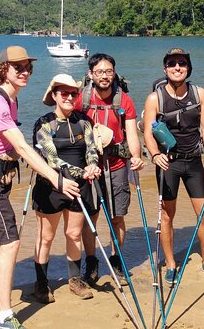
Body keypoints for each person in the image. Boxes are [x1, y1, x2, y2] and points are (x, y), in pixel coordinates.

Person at [0, 46, 80, 329]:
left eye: (28, 66)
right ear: (4, 69)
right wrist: (56, 178)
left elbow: (10, 147)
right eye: (19, 67)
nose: (26, 71)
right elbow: (21, 147)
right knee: (10, 241)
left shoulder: (10, 99)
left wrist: (19, 157)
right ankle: (5, 316)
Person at [142, 47, 204, 284]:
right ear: (165, 69)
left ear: (188, 68)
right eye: (172, 64)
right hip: (167, 164)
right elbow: (147, 130)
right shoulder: (155, 98)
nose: (177, 67)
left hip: (194, 162)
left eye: (181, 63)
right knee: (167, 215)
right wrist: (153, 154)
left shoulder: (199, 93)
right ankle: (171, 264)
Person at [75, 53, 145, 286]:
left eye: (108, 71)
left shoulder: (124, 100)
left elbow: (132, 133)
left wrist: (136, 157)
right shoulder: (80, 98)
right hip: (89, 167)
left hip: (116, 165)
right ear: (90, 74)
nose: (104, 76)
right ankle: (92, 262)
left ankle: (116, 260)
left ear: (114, 73)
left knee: (117, 217)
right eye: (99, 72)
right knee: (90, 217)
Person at [32, 74, 102, 303]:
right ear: (54, 96)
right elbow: (51, 160)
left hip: (77, 188)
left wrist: (92, 166)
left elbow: (91, 149)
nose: (70, 97)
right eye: (64, 93)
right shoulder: (43, 124)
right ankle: (41, 284)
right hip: (50, 187)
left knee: (73, 234)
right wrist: (82, 172)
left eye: (74, 93)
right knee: (46, 237)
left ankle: (74, 280)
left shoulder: (84, 121)